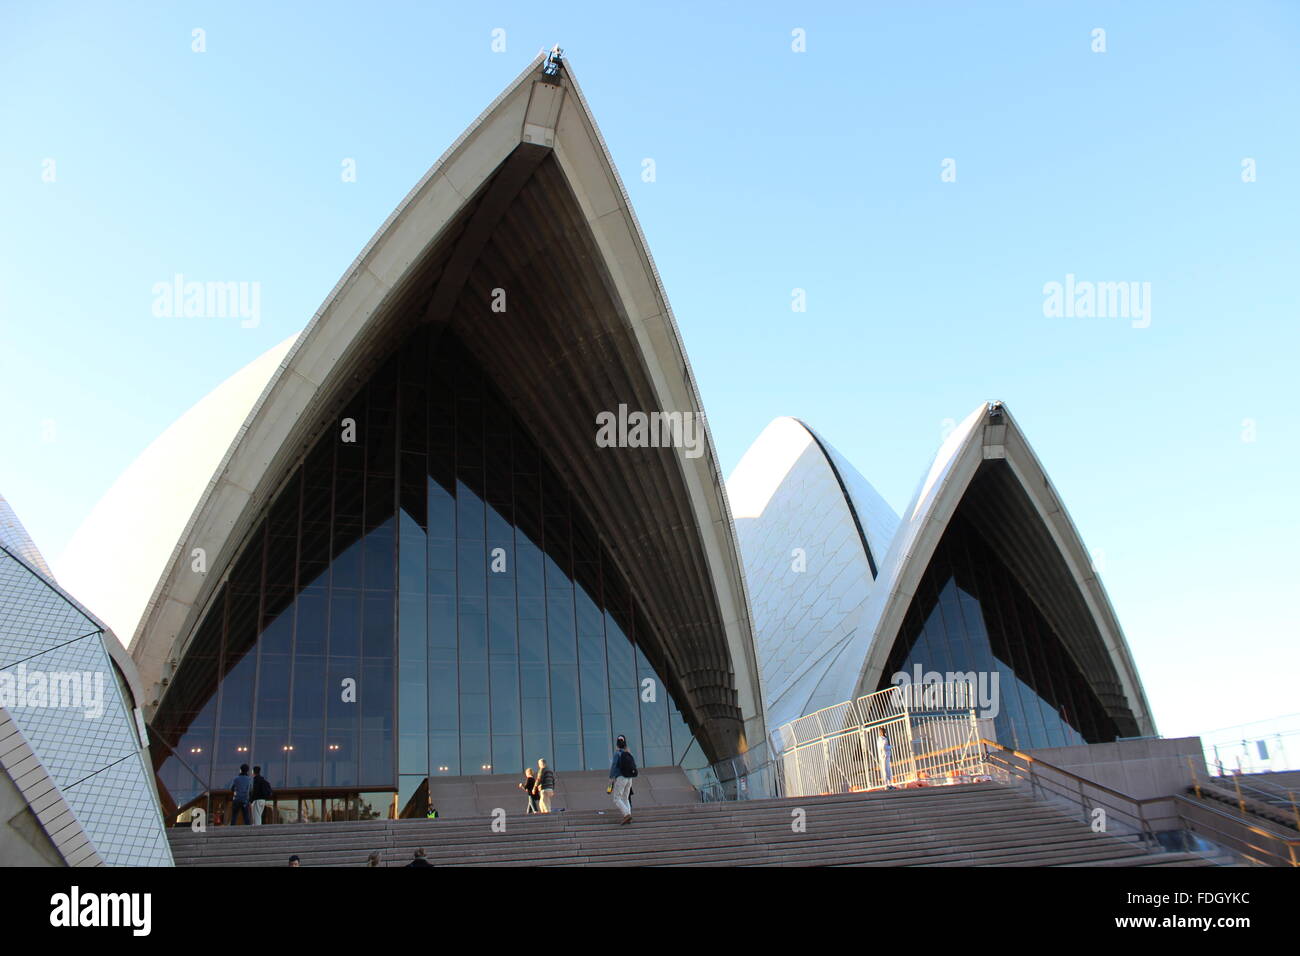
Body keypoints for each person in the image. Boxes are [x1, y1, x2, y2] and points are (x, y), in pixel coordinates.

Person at [607, 734, 637, 825]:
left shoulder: (617, 753)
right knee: (625, 798)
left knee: (616, 798)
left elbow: (614, 766)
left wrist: (611, 778)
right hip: (629, 779)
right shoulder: (628, 753)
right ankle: (628, 815)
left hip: (621, 778)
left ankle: (627, 814)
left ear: (617, 744)